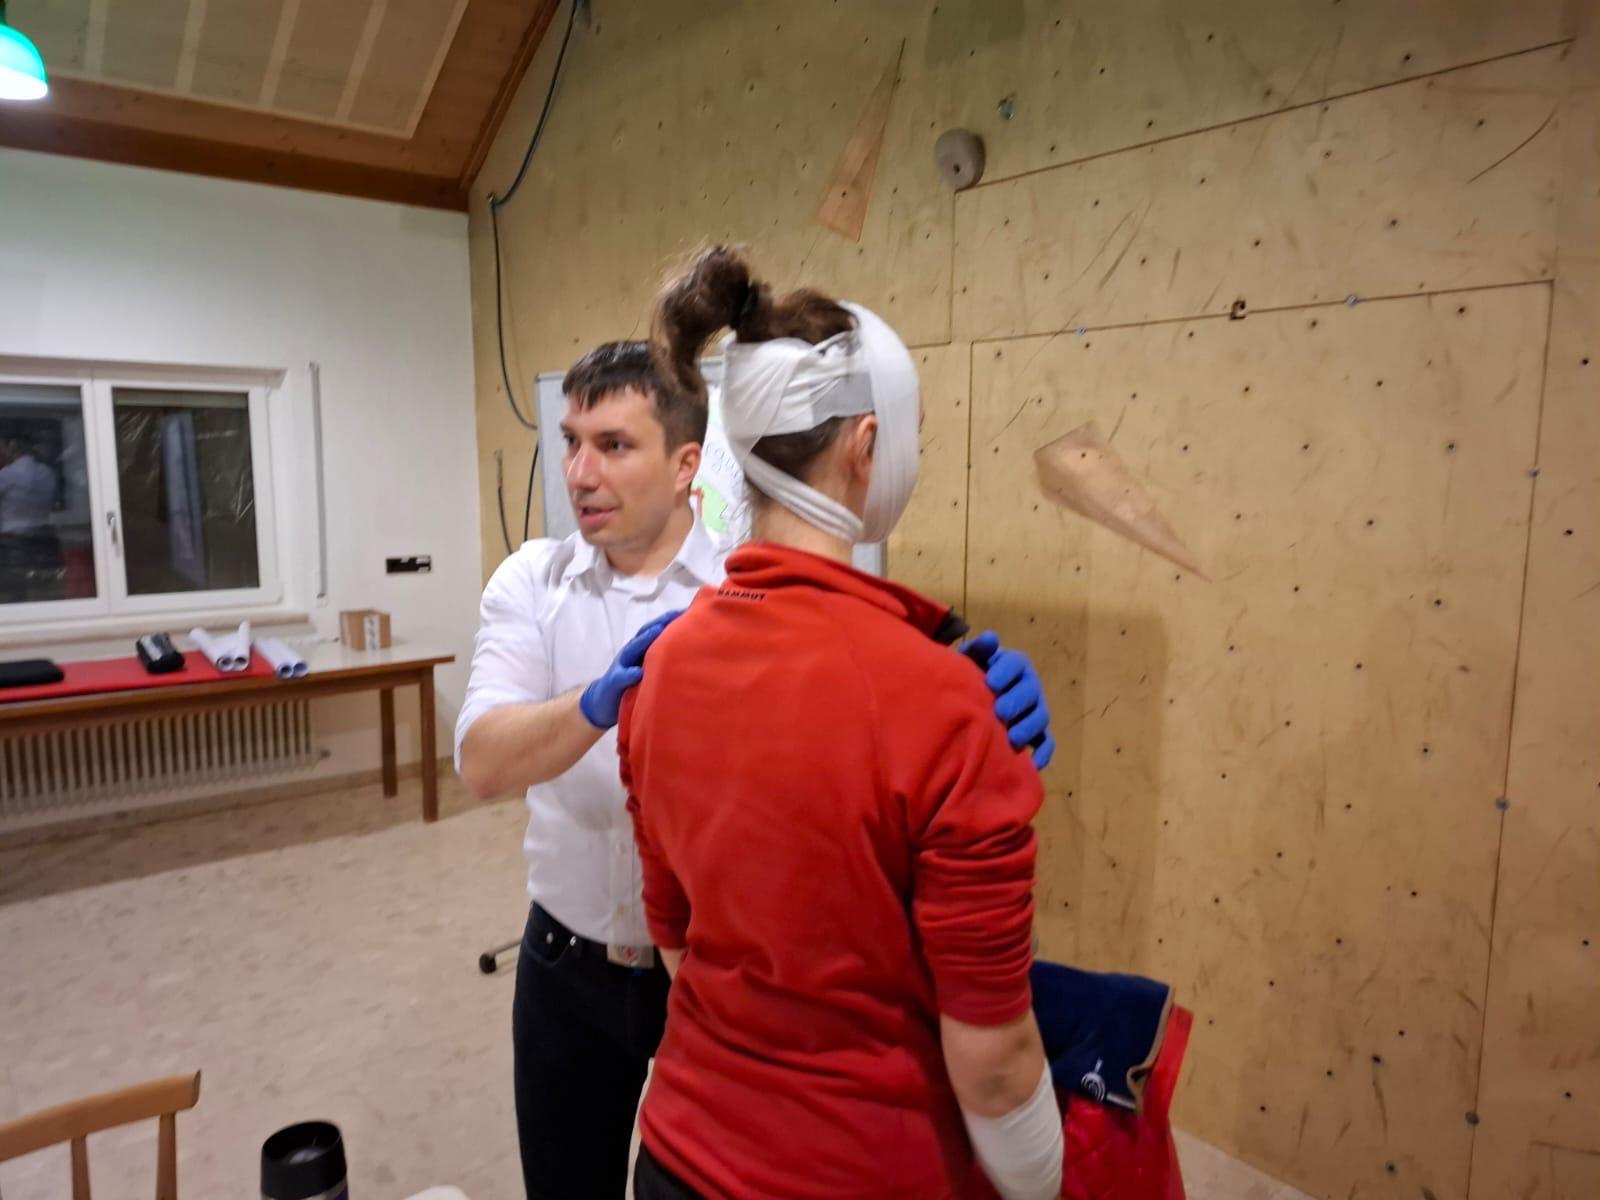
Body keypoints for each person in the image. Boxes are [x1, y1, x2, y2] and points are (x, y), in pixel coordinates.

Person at [454, 340, 1056, 1199]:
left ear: (686, 465)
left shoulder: (744, 594)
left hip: (708, 968)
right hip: (569, 963)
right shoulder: (531, 583)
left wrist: (964, 691)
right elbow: (480, 762)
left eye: (613, 445)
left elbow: (858, 723)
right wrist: (596, 702)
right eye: (571, 442)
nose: (580, 473)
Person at [621, 247, 1064, 1200]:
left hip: (675, 1156)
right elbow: (994, 1063)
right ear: (867, 445)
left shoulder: (658, 673)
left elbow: (681, 949)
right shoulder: (945, 706)